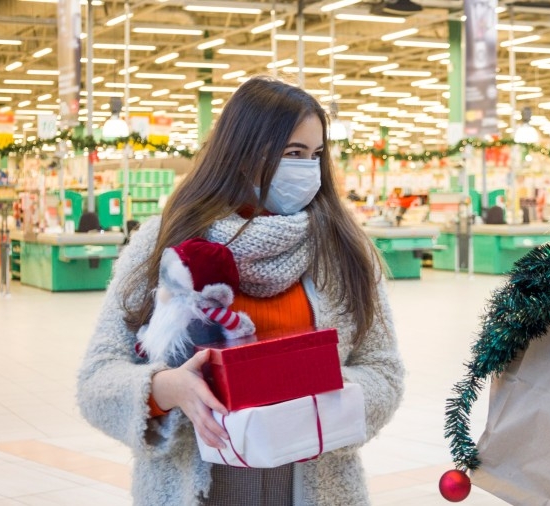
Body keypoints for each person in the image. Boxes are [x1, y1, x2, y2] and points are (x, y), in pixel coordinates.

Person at [76, 76, 405, 505]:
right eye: (292, 153)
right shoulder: (165, 242)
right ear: (243, 154)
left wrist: (320, 401)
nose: (307, 169)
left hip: (311, 482)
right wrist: (167, 388)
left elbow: (384, 370)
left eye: (315, 155)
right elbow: (98, 378)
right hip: (200, 483)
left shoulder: (342, 249)